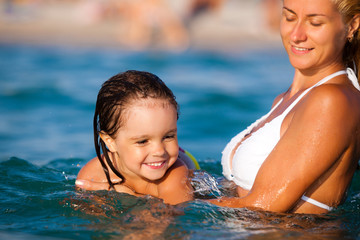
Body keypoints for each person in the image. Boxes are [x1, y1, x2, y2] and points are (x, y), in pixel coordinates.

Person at [209, 0, 360, 214]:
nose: (296, 35)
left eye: (315, 23)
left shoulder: (332, 102)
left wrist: (164, 204)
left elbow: (262, 209)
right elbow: (239, 193)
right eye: (289, 17)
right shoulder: (285, 100)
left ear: (351, 25)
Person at [75, 70, 199, 205]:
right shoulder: (95, 173)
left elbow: (174, 215)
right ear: (110, 142)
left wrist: (128, 195)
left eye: (168, 136)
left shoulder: (174, 173)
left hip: (187, 164)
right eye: (143, 141)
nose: (159, 151)